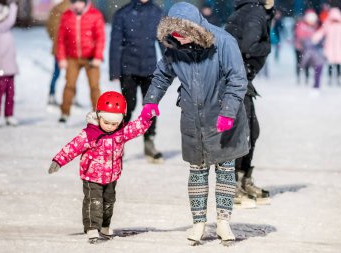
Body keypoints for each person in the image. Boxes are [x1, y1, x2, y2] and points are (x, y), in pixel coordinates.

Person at [142, 2, 249, 246]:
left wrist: (228, 112)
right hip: (193, 118)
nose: (178, 37)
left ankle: (223, 221)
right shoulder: (174, 47)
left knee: (225, 171)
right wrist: (150, 102)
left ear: (196, 28)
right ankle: (198, 222)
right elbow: (161, 76)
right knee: (197, 171)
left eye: (183, 31)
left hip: (223, 117)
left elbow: (237, 79)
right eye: (174, 31)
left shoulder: (223, 42)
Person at [48, 91, 158, 243]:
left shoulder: (120, 132)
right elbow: (73, 147)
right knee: (95, 201)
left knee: (109, 201)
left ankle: (105, 226)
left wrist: (147, 117)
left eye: (114, 124)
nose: (110, 127)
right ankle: (92, 228)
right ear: (98, 116)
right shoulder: (89, 134)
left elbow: (136, 128)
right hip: (91, 176)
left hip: (112, 176)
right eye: (106, 122)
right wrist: (59, 160)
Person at [224, 0, 274, 208]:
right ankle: (232, 184)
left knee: (251, 131)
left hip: (238, 77)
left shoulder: (250, 10)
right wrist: (268, 46)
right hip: (237, 78)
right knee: (244, 132)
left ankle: (243, 178)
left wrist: (268, 12)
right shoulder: (254, 12)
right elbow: (249, 46)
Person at [109, 0, 164, 163]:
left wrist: (171, 67)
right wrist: (114, 70)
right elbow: (115, 43)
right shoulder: (123, 13)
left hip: (149, 68)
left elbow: (164, 42)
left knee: (150, 106)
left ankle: (149, 142)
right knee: (127, 107)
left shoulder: (157, 13)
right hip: (128, 69)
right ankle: (117, 145)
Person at [57, 0, 105, 123]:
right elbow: (61, 39)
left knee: (94, 87)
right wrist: (62, 58)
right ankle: (64, 113)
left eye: (79, 2)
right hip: (72, 57)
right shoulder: (66, 15)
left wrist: (98, 57)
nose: (76, 5)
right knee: (69, 85)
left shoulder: (95, 14)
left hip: (91, 57)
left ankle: (97, 114)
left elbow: (100, 37)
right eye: (74, 2)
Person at [45, 0, 70, 105]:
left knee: (56, 73)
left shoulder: (55, 9)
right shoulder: (73, 9)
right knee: (72, 74)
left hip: (58, 46)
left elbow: (49, 27)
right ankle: (71, 97)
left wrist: (54, 38)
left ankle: (51, 94)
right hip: (70, 46)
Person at [313, 7, 341, 85]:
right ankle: (334, 78)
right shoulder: (328, 24)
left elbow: (321, 32)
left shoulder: (328, 24)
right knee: (335, 64)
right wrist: (314, 38)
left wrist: (314, 38)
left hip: (333, 48)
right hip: (334, 48)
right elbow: (321, 32)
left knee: (333, 64)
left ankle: (334, 78)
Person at [294, 10, 318, 84]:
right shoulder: (302, 25)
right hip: (300, 47)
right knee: (299, 62)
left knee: (306, 62)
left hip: (305, 48)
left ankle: (306, 78)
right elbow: (299, 35)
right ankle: (299, 77)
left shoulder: (313, 26)